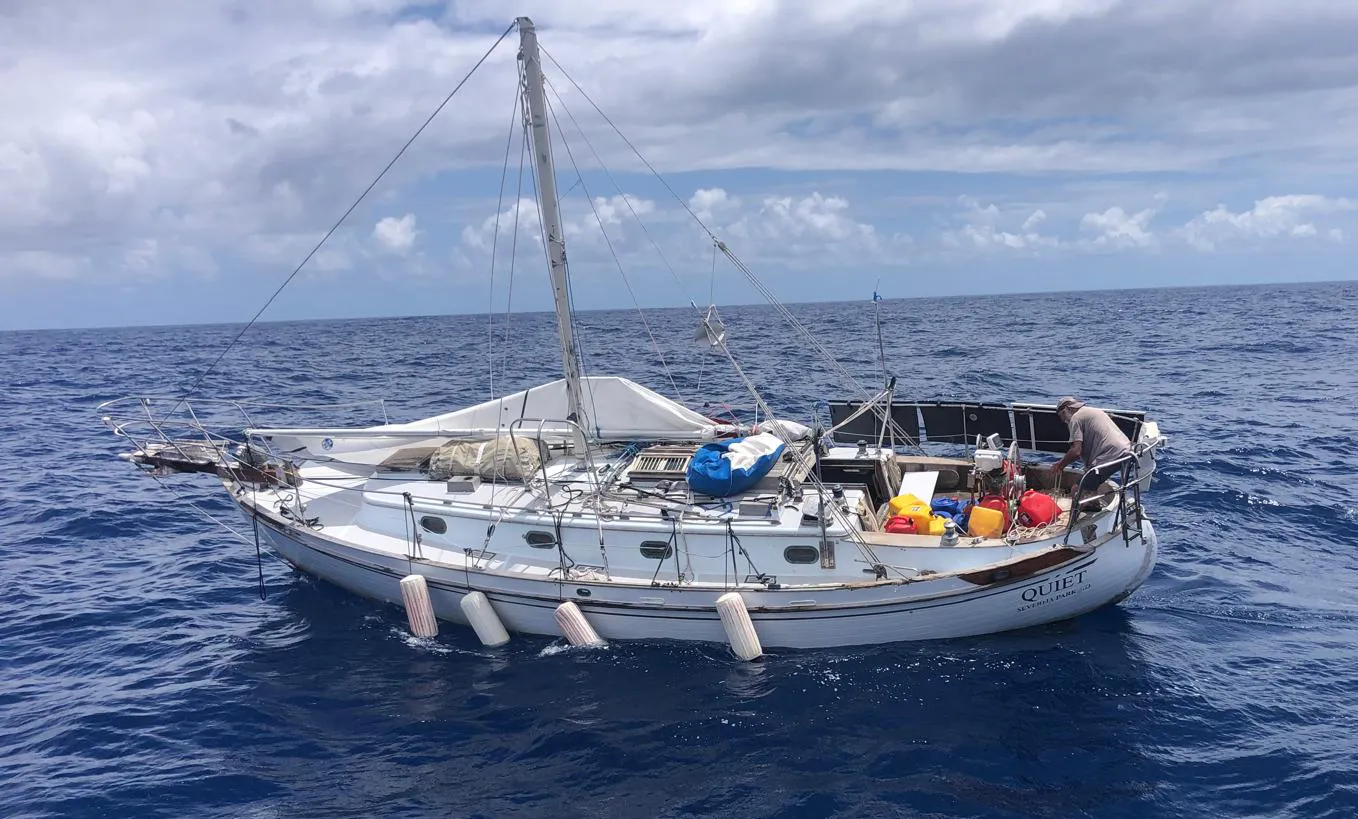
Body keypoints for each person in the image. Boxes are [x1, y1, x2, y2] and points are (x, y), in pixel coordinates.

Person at [1047, 396, 1132, 494]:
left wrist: (1059, 465)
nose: (1064, 421)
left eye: (1062, 416)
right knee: (1089, 486)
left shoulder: (1076, 418)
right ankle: (1093, 501)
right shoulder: (1094, 411)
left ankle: (1080, 503)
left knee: (1077, 490)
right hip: (1127, 451)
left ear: (1067, 409)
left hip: (1110, 455)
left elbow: (1076, 451)